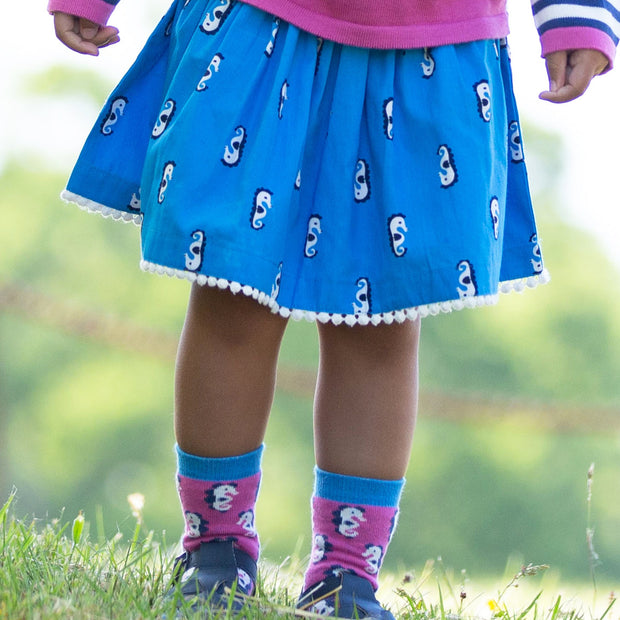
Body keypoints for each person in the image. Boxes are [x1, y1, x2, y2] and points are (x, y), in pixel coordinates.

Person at [48, 0, 617, 617]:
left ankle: (345, 577)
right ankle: (215, 552)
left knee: (382, 325)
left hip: (425, 41)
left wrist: (578, 15)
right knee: (231, 294)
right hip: (263, 27)